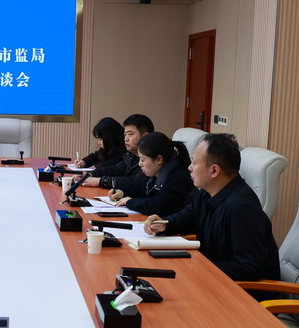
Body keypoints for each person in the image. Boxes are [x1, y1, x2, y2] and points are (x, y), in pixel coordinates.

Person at [143, 133, 279, 282]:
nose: (189, 167)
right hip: (213, 278)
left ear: (214, 170)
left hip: (242, 290)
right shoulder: (208, 193)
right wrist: (164, 224)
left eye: (194, 163)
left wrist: (197, 267)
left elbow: (248, 268)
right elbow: (187, 217)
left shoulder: (243, 208)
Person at [108, 132, 195, 216]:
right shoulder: (154, 171)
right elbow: (138, 187)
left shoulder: (179, 178)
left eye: (143, 160)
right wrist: (122, 192)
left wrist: (130, 202)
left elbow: (158, 205)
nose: (139, 164)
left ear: (159, 160)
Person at [82, 113, 154, 189]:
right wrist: (91, 174)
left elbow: (134, 182)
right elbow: (116, 169)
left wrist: (100, 181)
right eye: (125, 135)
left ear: (145, 136)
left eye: (130, 134)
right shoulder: (131, 156)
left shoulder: (151, 158)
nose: (126, 139)